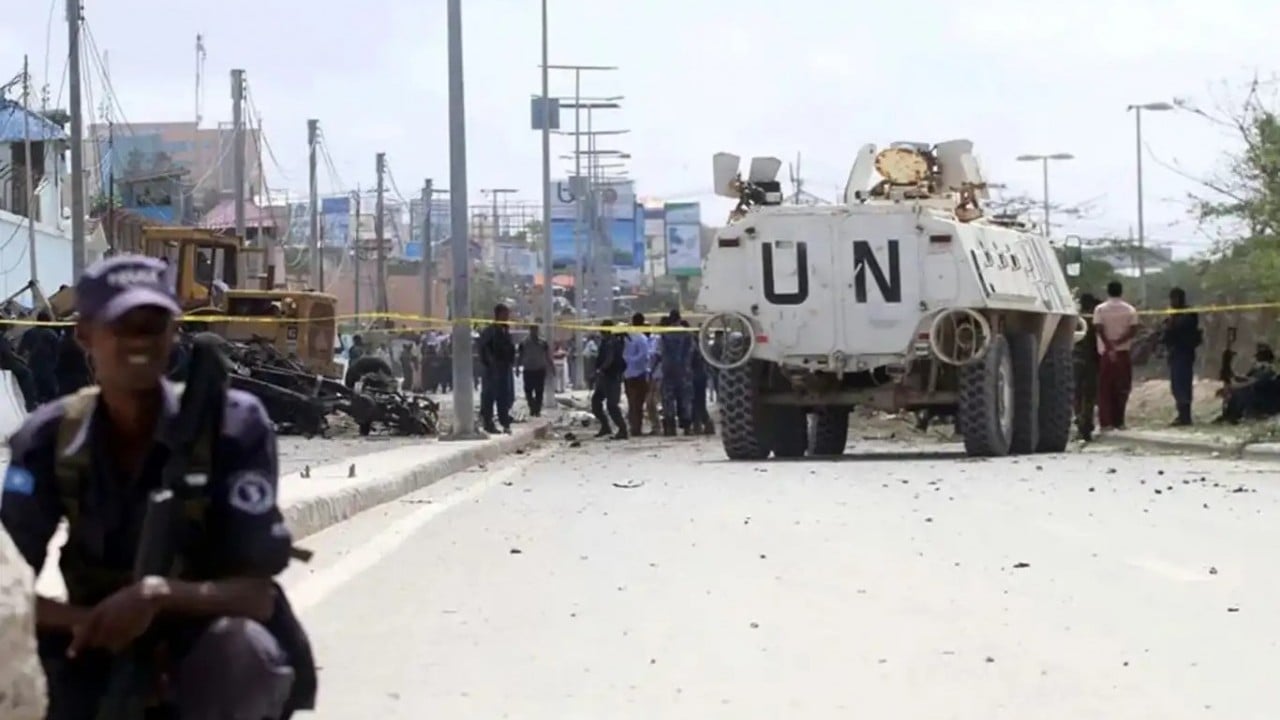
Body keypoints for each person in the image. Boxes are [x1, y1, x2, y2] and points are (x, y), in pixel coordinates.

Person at [0, 255, 315, 720]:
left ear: (174, 335)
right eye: (121, 326)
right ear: (84, 334)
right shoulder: (50, 437)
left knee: (240, 651)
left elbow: (257, 594)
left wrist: (158, 596)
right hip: (95, 636)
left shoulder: (229, 425)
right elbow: (10, 584)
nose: (138, 343)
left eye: (151, 326)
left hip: (201, 641)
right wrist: (88, 622)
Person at [1093, 280, 1139, 431]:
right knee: (1122, 388)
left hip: (1106, 353)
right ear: (1121, 291)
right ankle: (1119, 421)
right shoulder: (1130, 309)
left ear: (1108, 291)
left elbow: (1098, 328)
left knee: (1105, 389)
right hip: (1123, 352)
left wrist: (1109, 345)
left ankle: (1106, 423)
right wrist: (1118, 343)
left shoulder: (1100, 309)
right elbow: (1133, 330)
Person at [1162, 287, 1202, 426]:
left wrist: (1171, 320)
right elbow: (1165, 330)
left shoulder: (1187, 313)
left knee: (1182, 384)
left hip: (1184, 352)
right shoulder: (1175, 313)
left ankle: (1185, 416)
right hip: (1175, 352)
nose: (1172, 302)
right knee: (1176, 385)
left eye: (1174, 298)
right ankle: (1182, 414)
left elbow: (1175, 328)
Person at [477, 304, 516, 433]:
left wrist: (511, 362)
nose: (507, 317)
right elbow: (484, 348)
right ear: (498, 315)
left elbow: (510, 349)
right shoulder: (490, 331)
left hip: (504, 368)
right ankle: (488, 423)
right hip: (492, 370)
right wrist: (490, 363)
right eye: (504, 314)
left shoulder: (505, 330)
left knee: (505, 396)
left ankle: (505, 422)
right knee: (489, 396)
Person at [660, 310, 695, 435]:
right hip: (684, 370)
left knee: (668, 400)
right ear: (679, 319)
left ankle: (670, 428)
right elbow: (691, 351)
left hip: (668, 369)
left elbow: (662, 351)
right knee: (685, 399)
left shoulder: (665, 334)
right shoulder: (686, 334)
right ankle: (686, 427)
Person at [590, 320, 627, 439]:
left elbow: (609, 359)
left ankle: (622, 429)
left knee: (612, 405)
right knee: (596, 402)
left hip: (611, 377)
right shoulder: (606, 341)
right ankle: (605, 426)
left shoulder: (612, 342)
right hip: (605, 377)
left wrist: (600, 370)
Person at [1074, 292, 1101, 441]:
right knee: (1089, 396)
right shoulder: (1095, 320)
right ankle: (1085, 424)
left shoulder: (1077, 319)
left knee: (1078, 395)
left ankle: (1081, 423)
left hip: (1077, 359)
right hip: (1091, 361)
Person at [18, 310, 60, 404]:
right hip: (49, 371)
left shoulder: (28, 333)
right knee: (52, 398)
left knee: (38, 398)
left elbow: (20, 351)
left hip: (33, 370)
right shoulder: (51, 334)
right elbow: (57, 352)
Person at [622, 313, 650, 436]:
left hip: (628, 374)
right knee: (637, 403)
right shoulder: (641, 338)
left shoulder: (627, 337)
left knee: (632, 403)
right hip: (639, 374)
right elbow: (644, 356)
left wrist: (627, 360)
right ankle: (636, 428)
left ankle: (634, 427)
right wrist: (632, 361)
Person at [516, 323, 553, 417]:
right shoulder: (524, 342)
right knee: (528, 391)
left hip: (539, 369)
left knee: (539, 391)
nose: (534, 332)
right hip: (528, 370)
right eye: (533, 330)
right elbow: (520, 356)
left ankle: (537, 410)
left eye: (536, 330)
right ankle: (532, 406)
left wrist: (552, 366)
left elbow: (547, 356)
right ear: (530, 330)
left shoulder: (543, 342)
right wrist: (517, 368)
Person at [686, 319, 716, 435]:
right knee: (699, 402)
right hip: (700, 376)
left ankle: (700, 424)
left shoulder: (693, 345)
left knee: (695, 401)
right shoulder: (702, 345)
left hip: (695, 376)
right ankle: (702, 424)